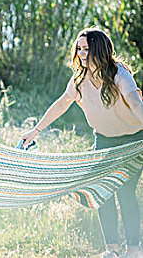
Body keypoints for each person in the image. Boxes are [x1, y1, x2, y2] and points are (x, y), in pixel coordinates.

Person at [20, 28, 143, 258]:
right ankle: (112, 250)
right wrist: (35, 131)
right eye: (79, 48)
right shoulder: (79, 79)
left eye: (86, 48)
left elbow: (136, 104)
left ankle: (134, 250)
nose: (82, 53)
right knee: (101, 190)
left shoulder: (119, 74)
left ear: (100, 49)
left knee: (125, 190)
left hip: (133, 140)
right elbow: (61, 103)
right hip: (105, 140)